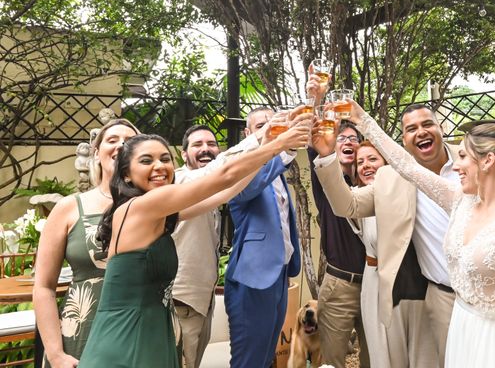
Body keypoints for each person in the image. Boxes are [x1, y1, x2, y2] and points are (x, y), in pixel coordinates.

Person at [346, 101, 495, 368]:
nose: (456, 166)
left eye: (463, 157)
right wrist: (362, 119)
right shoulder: (460, 202)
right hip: (463, 332)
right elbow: (406, 166)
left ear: (487, 161)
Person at [77, 121, 309, 368]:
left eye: (165, 159)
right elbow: (224, 175)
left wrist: (269, 151)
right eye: (146, 161)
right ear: (126, 174)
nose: (159, 166)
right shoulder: (143, 206)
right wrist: (276, 145)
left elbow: (225, 192)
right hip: (126, 333)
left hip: (153, 328)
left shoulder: (158, 211)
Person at [312, 104, 455, 368]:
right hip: (433, 291)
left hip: (478, 294)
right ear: (403, 140)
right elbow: (347, 205)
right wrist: (324, 155)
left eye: (427, 124)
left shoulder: (470, 162)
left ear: (441, 127)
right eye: (411, 128)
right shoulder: (391, 179)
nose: (421, 132)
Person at [34, 118, 140, 368]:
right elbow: (43, 287)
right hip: (82, 334)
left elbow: (215, 185)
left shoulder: (157, 206)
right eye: (112, 140)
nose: (121, 145)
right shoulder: (69, 207)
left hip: (141, 331)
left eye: (129, 141)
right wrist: (55, 353)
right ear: (96, 152)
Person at [224, 107, 303, 368]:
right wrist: (284, 150)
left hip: (279, 276)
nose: (270, 129)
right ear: (248, 134)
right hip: (253, 278)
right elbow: (247, 189)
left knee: (267, 355)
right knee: (249, 360)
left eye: (275, 123)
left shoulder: (276, 173)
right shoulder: (241, 171)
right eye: (261, 126)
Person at [348, 141, 432, 368]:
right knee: (381, 347)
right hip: (374, 279)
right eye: (360, 162)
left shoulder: (406, 193)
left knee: (415, 348)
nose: (365, 165)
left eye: (372, 159)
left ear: (387, 162)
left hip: (410, 279)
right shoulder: (357, 198)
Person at [306, 71, 369, 368]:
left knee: (377, 356)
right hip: (339, 283)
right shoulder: (325, 177)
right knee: (332, 361)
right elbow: (315, 135)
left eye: (353, 139)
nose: (346, 141)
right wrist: (317, 98)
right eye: (340, 138)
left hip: (375, 284)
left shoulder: (376, 183)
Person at [172, 125, 222, 368]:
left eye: (211, 144)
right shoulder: (179, 179)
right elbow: (218, 173)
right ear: (184, 154)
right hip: (182, 300)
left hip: (203, 298)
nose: (206, 150)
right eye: (197, 145)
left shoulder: (210, 187)